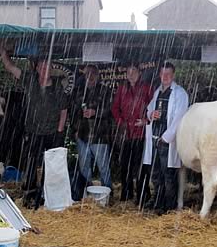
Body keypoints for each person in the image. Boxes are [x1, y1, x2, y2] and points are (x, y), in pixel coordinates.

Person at [0, 46, 68, 209]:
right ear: (37, 68)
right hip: (33, 131)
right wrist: (3, 50)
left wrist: (59, 131)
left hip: (52, 132)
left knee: (50, 166)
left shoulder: (58, 86)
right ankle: (29, 194)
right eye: (42, 66)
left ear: (51, 69)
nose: (45, 70)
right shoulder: (29, 79)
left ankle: (45, 195)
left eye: (47, 66)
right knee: (30, 163)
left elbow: (64, 111)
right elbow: (10, 67)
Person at [142, 61, 189, 214]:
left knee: (168, 174)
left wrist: (166, 137)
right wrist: (151, 114)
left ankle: (169, 207)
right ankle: (158, 203)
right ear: (159, 75)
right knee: (156, 175)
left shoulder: (180, 93)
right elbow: (149, 109)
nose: (165, 77)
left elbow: (179, 118)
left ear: (173, 75)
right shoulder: (158, 92)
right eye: (163, 74)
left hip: (168, 141)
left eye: (168, 74)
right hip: (155, 138)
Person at [111, 62, 153, 205]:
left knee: (141, 167)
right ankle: (126, 193)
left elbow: (153, 108)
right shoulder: (122, 89)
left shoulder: (147, 88)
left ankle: (142, 195)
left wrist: (146, 120)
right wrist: (121, 122)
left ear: (139, 73)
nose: (131, 74)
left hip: (141, 133)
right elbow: (115, 108)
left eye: (133, 71)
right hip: (126, 134)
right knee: (125, 166)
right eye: (128, 72)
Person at [72, 65, 113, 191]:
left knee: (103, 167)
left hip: (99, 135)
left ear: (98, 75)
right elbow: (72, 111)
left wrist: (95, 112)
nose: (90, 76)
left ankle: (108, 193)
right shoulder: (77, 90)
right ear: (84, 75)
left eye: (93, 73)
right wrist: (75, 130)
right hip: (82, 135)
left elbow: (110, 110)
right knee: (84, 167)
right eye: (87, 73)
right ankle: (86, 192)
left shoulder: (106, 91)